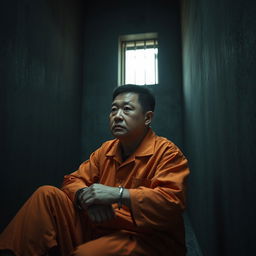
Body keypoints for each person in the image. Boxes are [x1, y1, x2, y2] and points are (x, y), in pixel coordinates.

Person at [0, 84, 190, 256]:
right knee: (46, 195)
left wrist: (118, 194)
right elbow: (72, 180)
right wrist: (85, 196)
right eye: (113, 109)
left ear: (147, 117)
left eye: (127, 109)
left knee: (88, 253)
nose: (117, 115)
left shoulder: (167, 152)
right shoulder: (106, 150)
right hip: (99, 227)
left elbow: (171, 202)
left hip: (146, 238)